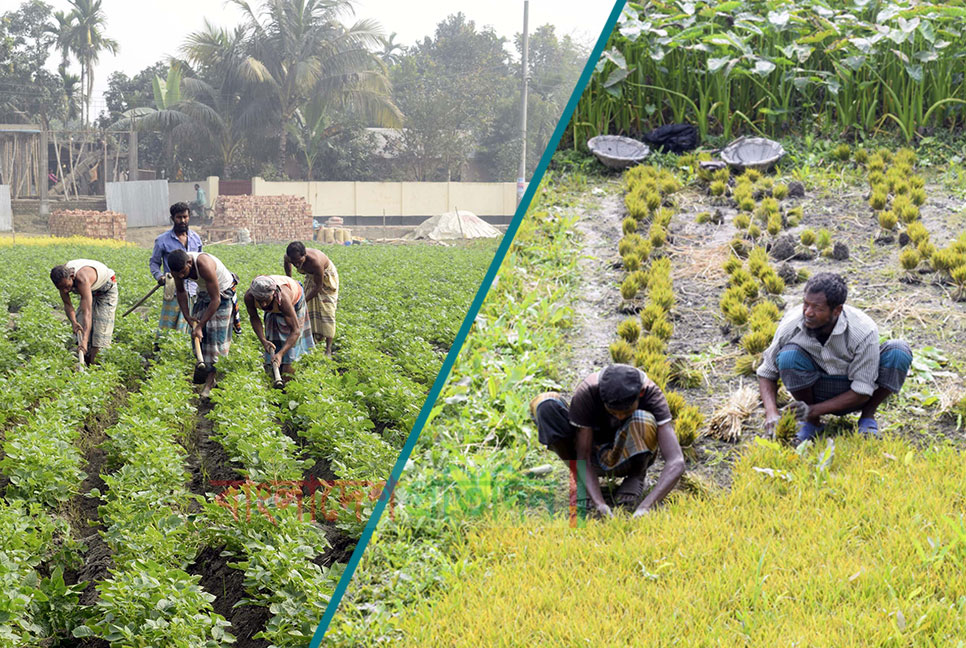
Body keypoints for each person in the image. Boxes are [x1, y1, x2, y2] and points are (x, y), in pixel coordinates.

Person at [758, 272, 913, 442]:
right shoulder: (792, 324)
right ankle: (812, 423)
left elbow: (862, 389)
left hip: (857, 393)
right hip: (816, 387)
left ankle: (867, 417)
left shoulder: (863, 330)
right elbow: (767, 372)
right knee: (788, 357)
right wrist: (771, 413)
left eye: (818, 308)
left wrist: (813, 409)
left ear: (837, 310)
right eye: (806, 304)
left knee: (898, 351)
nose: (808, 313)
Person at [530, 364, 685, 518]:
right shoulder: (588, 391)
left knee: (643, 419)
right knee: (546, 405)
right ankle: (581, 482)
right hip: (590, 457)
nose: (619, 416)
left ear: (641, 393)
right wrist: (600, 504)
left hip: (628, 454)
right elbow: (582, 455)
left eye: (625, 412)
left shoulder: (651, 394)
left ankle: (636, 476)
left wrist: (646, 506)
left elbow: (676, 461)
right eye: (613, 412)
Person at [167, 249, 238, 397]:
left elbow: (216, 299)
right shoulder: (178, 270)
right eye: (177, 273)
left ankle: (210, 382)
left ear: (189, 263)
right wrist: (187, 316)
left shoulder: (203, 264)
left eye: (182, 272)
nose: (181, 276)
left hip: (223, 294)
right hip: (204, 293)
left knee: (214, 338)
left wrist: (199, 326)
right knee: (199, 337)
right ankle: (206, 371)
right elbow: (181, 292)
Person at [245, 275, 315, 381]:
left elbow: (295, 330)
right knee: (272, 337)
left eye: (266, 299)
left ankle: (288, 377)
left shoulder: (284, 299)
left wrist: (281, 354)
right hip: (275, 305)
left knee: (291, 349)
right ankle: (273, 371)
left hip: (295, 300)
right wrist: (264, 341)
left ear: (273, 294)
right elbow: (254, 318)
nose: (263, 304)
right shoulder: (249, 297)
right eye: (260, 300)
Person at [50, 259, 118, 365]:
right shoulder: (61, 279)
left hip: (105, 290)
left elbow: (87, 312)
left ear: (72, 277)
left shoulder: (82, 280)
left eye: (67, 287)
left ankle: (95, 369)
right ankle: (85, 364)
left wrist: (85, 340)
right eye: (61, 288)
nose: (65, 291)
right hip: (90, 290)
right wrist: (74, 322)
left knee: (99, 335)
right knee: (80, 329)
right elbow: (68, 305)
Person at [149, 202, 203, 334]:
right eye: (179, 217)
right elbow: (154, 263)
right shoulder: (162, 240)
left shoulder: (196, 238)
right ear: (172, 218)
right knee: (168, 328)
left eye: (185, 217)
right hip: (173, 289)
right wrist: (159, 276)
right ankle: (161, 350)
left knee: (191, 325)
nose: (182, 220)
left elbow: (199, 261)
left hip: (193, 290)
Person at [283, 241, 339, 356]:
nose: (297, 265)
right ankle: (310, 342)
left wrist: (302, 300)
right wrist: (290, 280)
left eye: (299, 261)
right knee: (308, 311)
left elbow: (318, 286)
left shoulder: (315, 263)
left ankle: (328, 349)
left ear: (305, 256)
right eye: (294, 262)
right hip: (311, 276)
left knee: (327, 310)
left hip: (326, 278)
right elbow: (287, 265)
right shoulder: (289, 257)